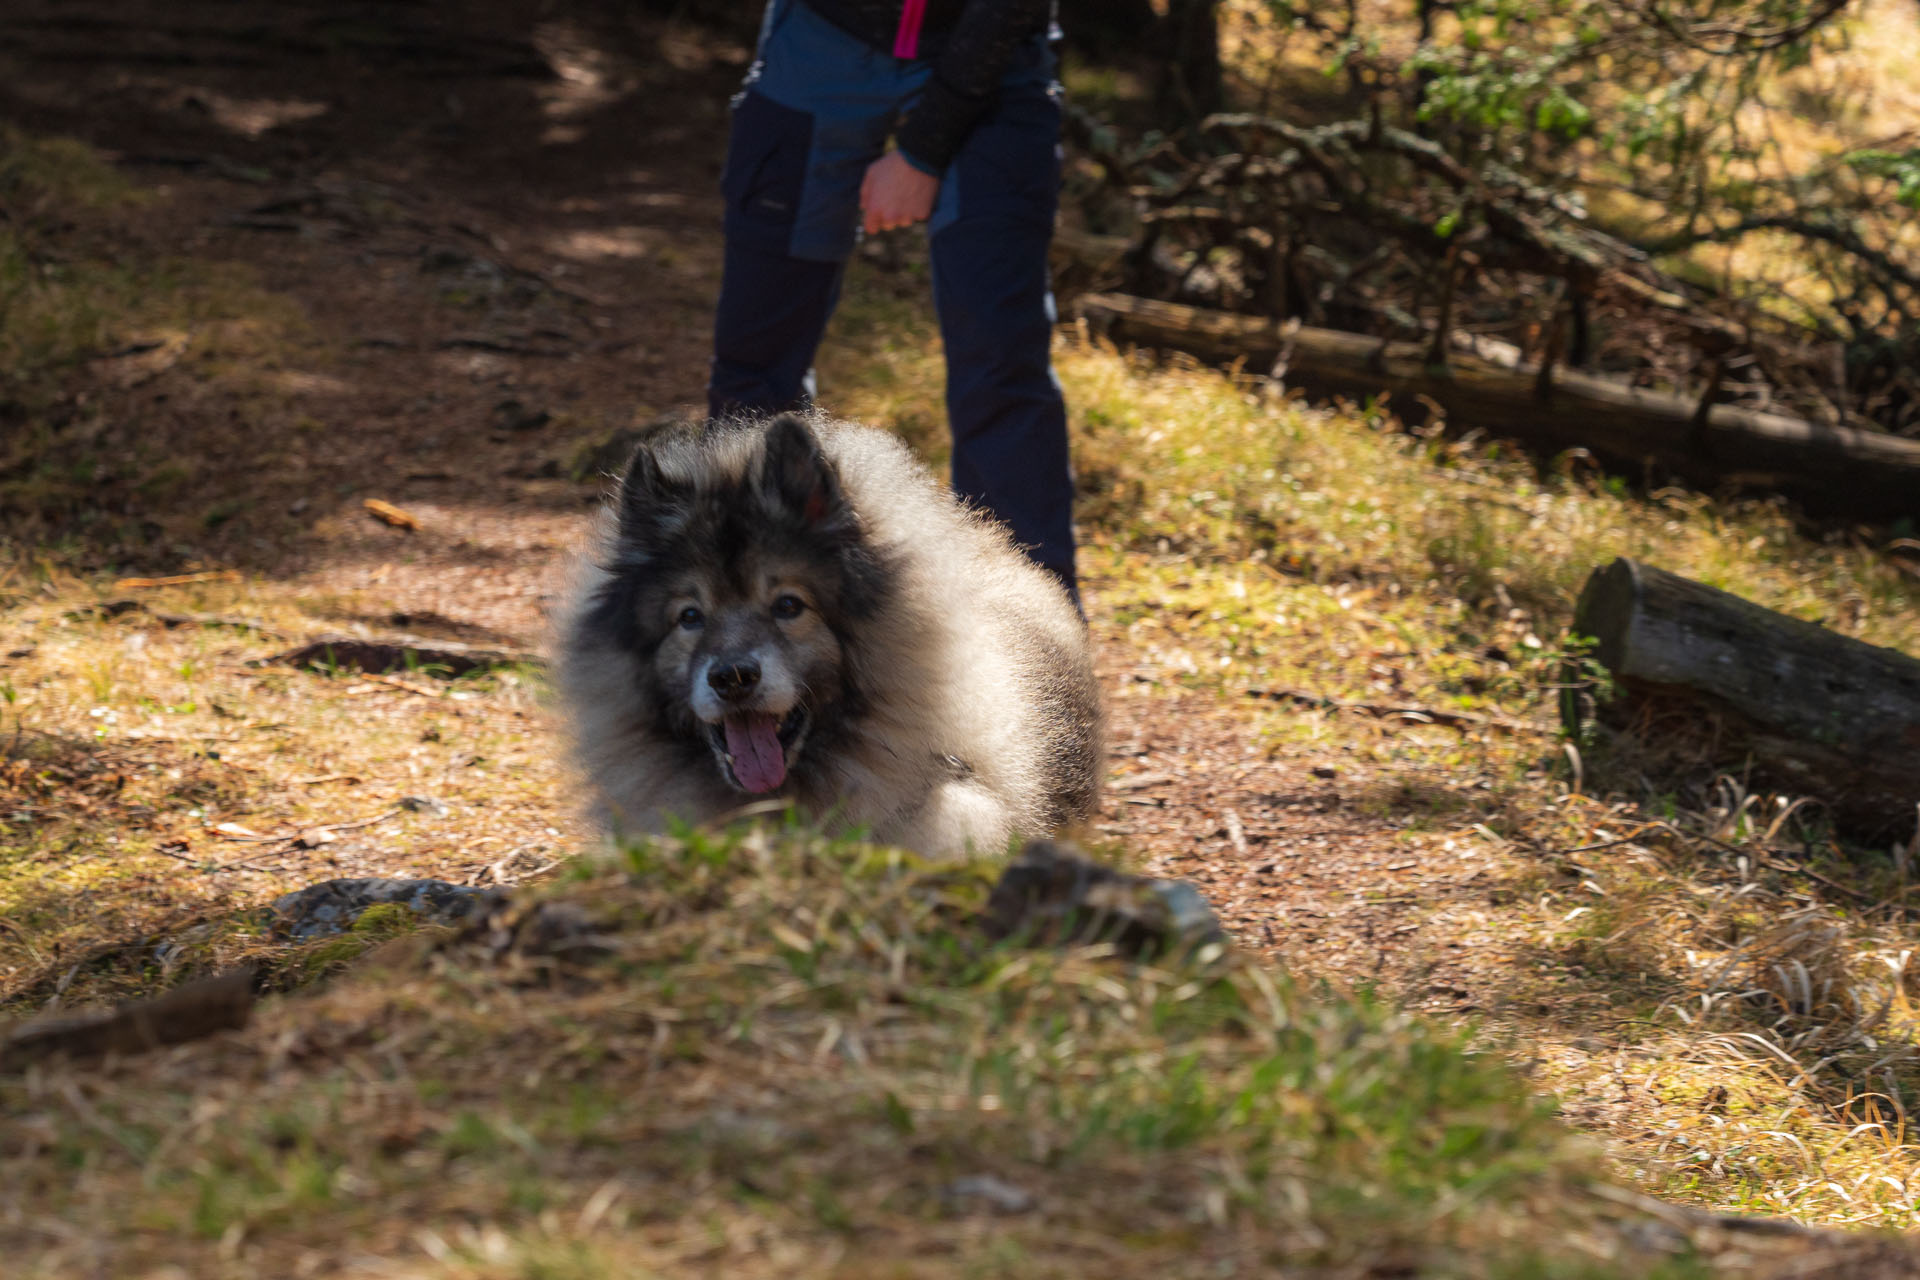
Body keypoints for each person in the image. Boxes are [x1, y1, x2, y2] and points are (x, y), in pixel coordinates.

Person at [707, 0, 1079, 607]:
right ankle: (751, 622)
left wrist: (924, 151)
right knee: (754, 370)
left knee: (1000, 363)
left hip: (994, 52)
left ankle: (1036, 657)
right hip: (819, 43)